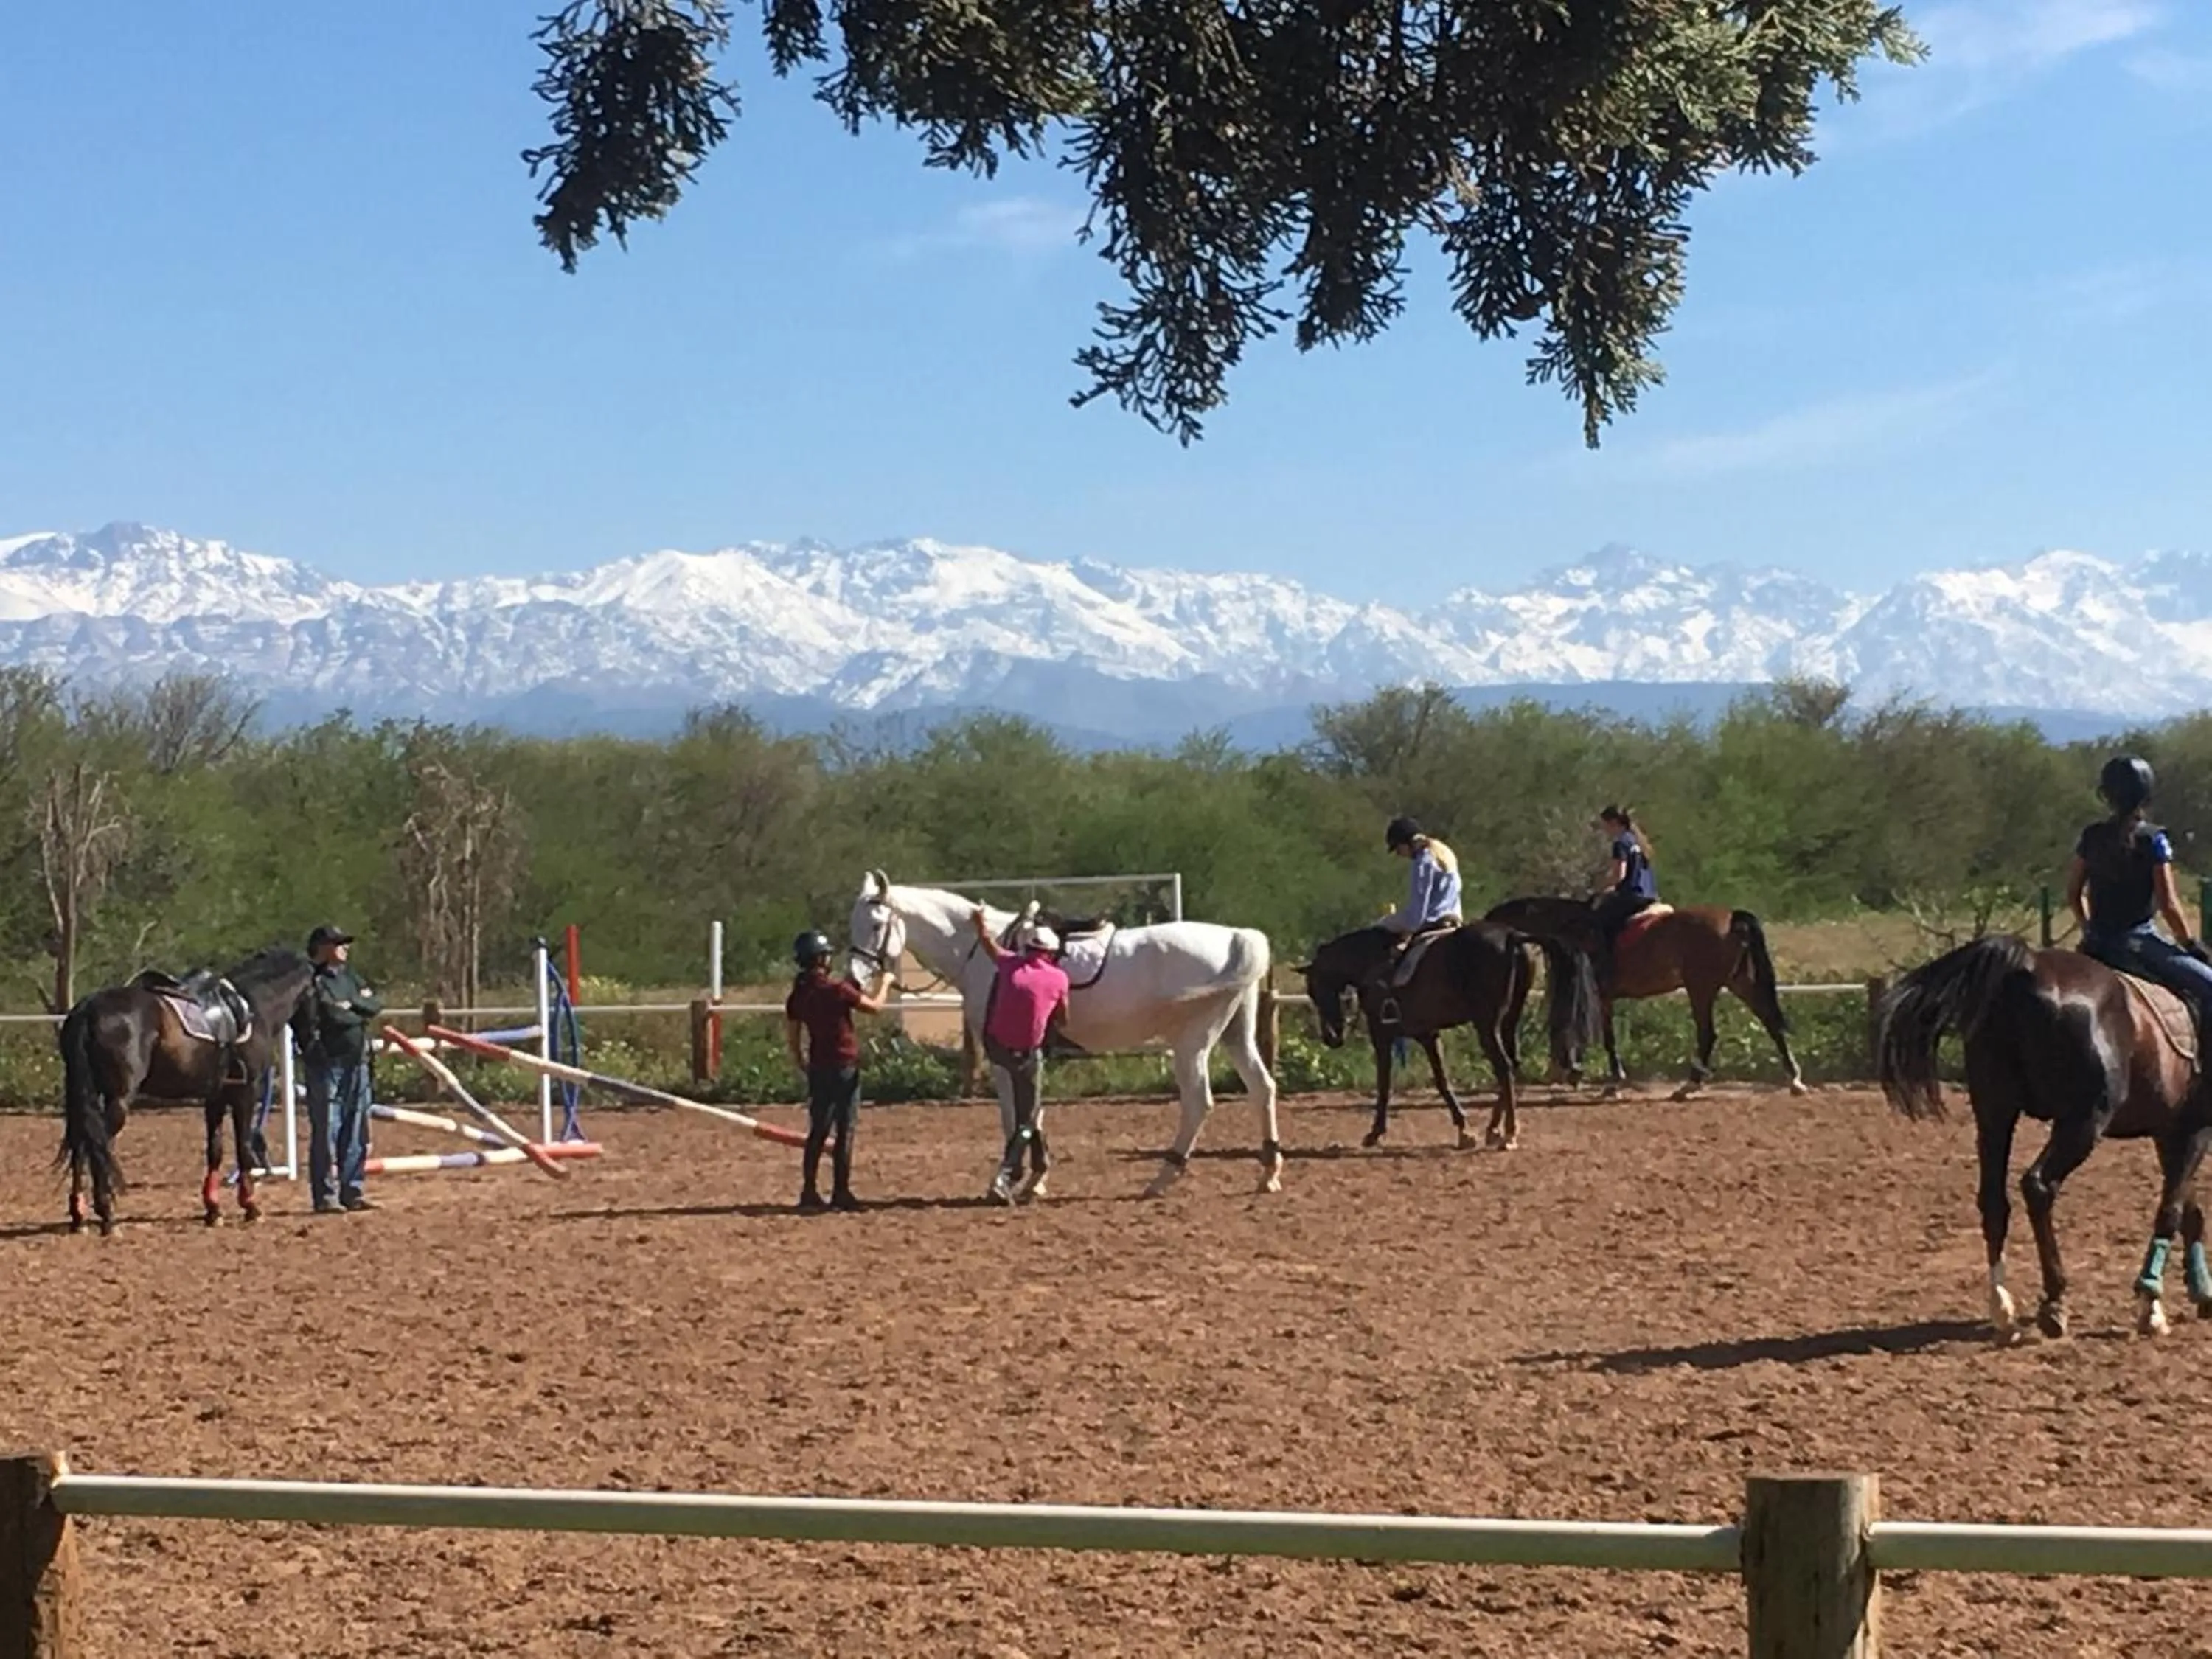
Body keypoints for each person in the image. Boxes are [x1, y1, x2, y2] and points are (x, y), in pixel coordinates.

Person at [2068, 754, 2212, 1031]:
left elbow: (2074, 893)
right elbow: (2169, 904)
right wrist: (2191, 945)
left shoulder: (2091, 836)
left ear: (2106, 794)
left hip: (2098, 941)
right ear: (2146, 795)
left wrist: (2089, 929)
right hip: (2138, 940)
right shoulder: (2154, 839)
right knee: (2208, 986)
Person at [970, 905, 1071, 1203]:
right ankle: (1004, 1177)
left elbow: (988, 944)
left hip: (996, 1048)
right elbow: (1064, 1019)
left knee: (1029, 1113)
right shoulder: (1058, 978)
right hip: (1026, 1056)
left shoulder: (1010, 964)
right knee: (1027, 1122)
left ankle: (1040, 1164)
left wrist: (979, 923)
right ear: (1051, 953)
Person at [782, 931, 888, 1213]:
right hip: (844, 1066)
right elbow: (875, 1007)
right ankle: (841, 1191)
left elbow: (793, 1036)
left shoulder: (798, 994)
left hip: (818, 1067)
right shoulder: (837, 989)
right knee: (845, 1129)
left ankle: (809, 1189)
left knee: (818, 1130)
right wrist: (886, 983)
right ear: (821, 959)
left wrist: (800, 1060)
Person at [291, 924, 382, 1215]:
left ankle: (352, 1190)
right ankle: (325, 1195)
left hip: (357, 1061)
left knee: (356, 1129)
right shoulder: (312, 980)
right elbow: (331, 1014)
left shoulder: (350, 977)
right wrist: (357, 1011)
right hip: (327, 1063)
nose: (345, 948)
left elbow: (374, 1004)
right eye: (338, 943)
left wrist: (352, 1004)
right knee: (327, 1129)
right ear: (323, 947)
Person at [1373, 815, 1464, 1023]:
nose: (1400, 854)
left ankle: (1391, 1002)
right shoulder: (1444, 851)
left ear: (1406, 842)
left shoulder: (1423, 861)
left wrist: (1390, 924)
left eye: (1398, 849)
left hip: (1432, 920)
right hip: (1455, 918)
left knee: (1383, 933)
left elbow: (1418, 911)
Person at [1590, 804, 1660, 970]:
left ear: (1614, 823)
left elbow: (1620, 875)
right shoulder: (1638, 842)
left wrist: (1601, 888)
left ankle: (1606, 964)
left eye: (1606, 825)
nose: (1605, 830)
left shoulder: (1621, 843)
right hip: (1649, 894)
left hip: (1631, 895)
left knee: (1598, 920)